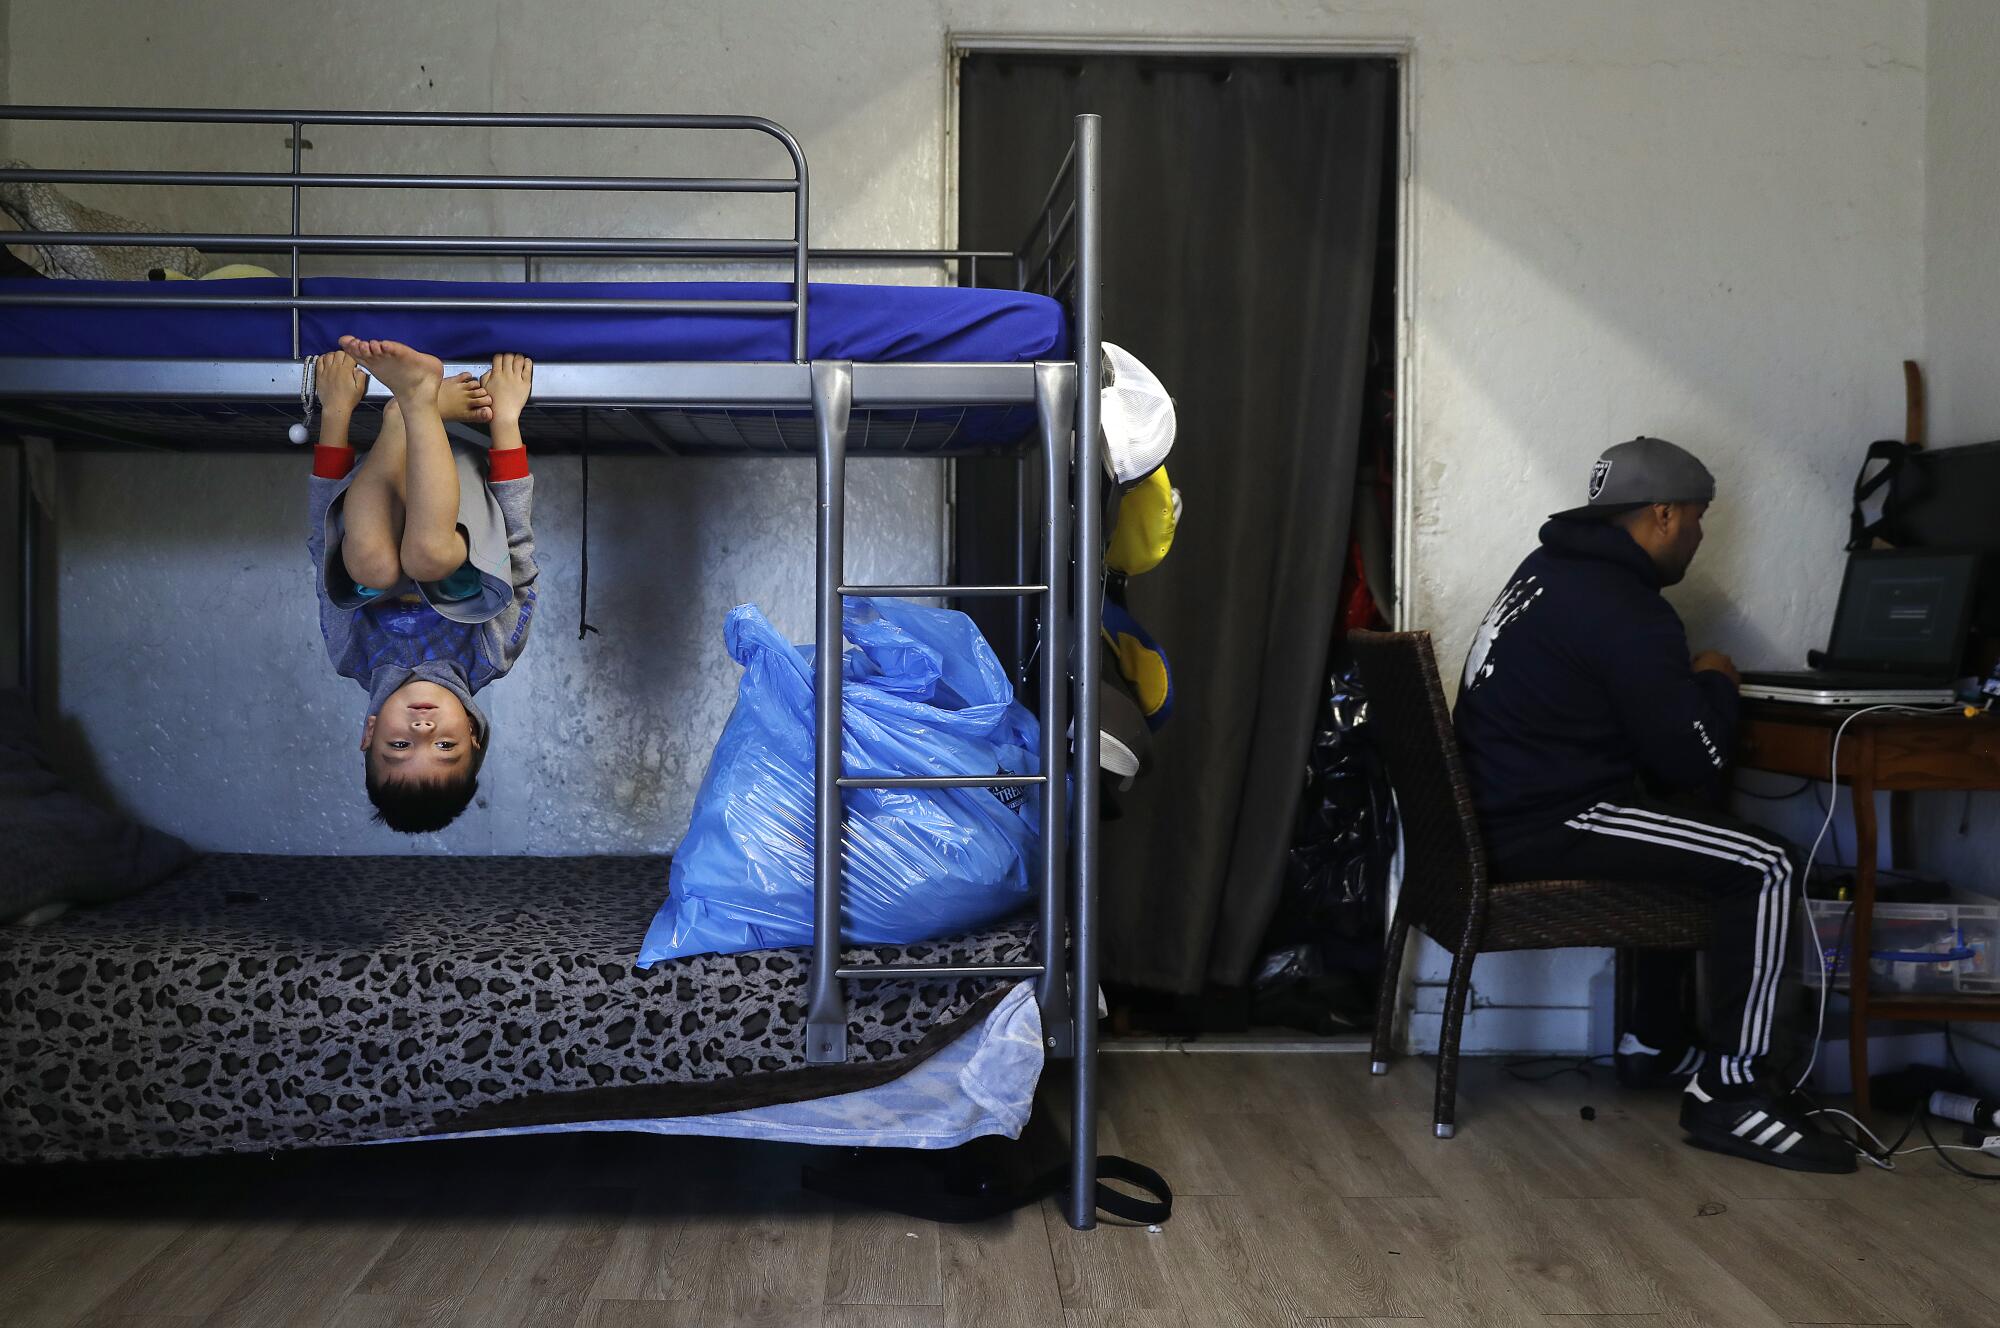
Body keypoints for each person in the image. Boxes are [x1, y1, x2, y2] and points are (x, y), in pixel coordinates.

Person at [1453, 436, 1853, 1173]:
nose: (1701, 538)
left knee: (1687, 833)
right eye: (1699, 520)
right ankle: (1731, 1093)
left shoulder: (1545, 571)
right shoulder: (1624, 608)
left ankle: (1654, 1038)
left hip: (1491, 812)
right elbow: (1693, 758)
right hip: (1547, 818)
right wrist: (1715, 684)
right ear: (1664, 515)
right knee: (1765, 864)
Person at [307, 338, 538, 834]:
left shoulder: (349, 655)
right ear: (474, 735)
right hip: (458, 494)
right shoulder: (492, 654)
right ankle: (415, 404)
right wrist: (506, 419)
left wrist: (336, 412)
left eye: (399, 746)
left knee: (368, 569)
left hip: (384, 480)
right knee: (428, 558)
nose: (422, 729)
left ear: (369, 732)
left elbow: (321, 544)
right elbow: (517, 548)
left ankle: (406, 411)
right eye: (444, 747)